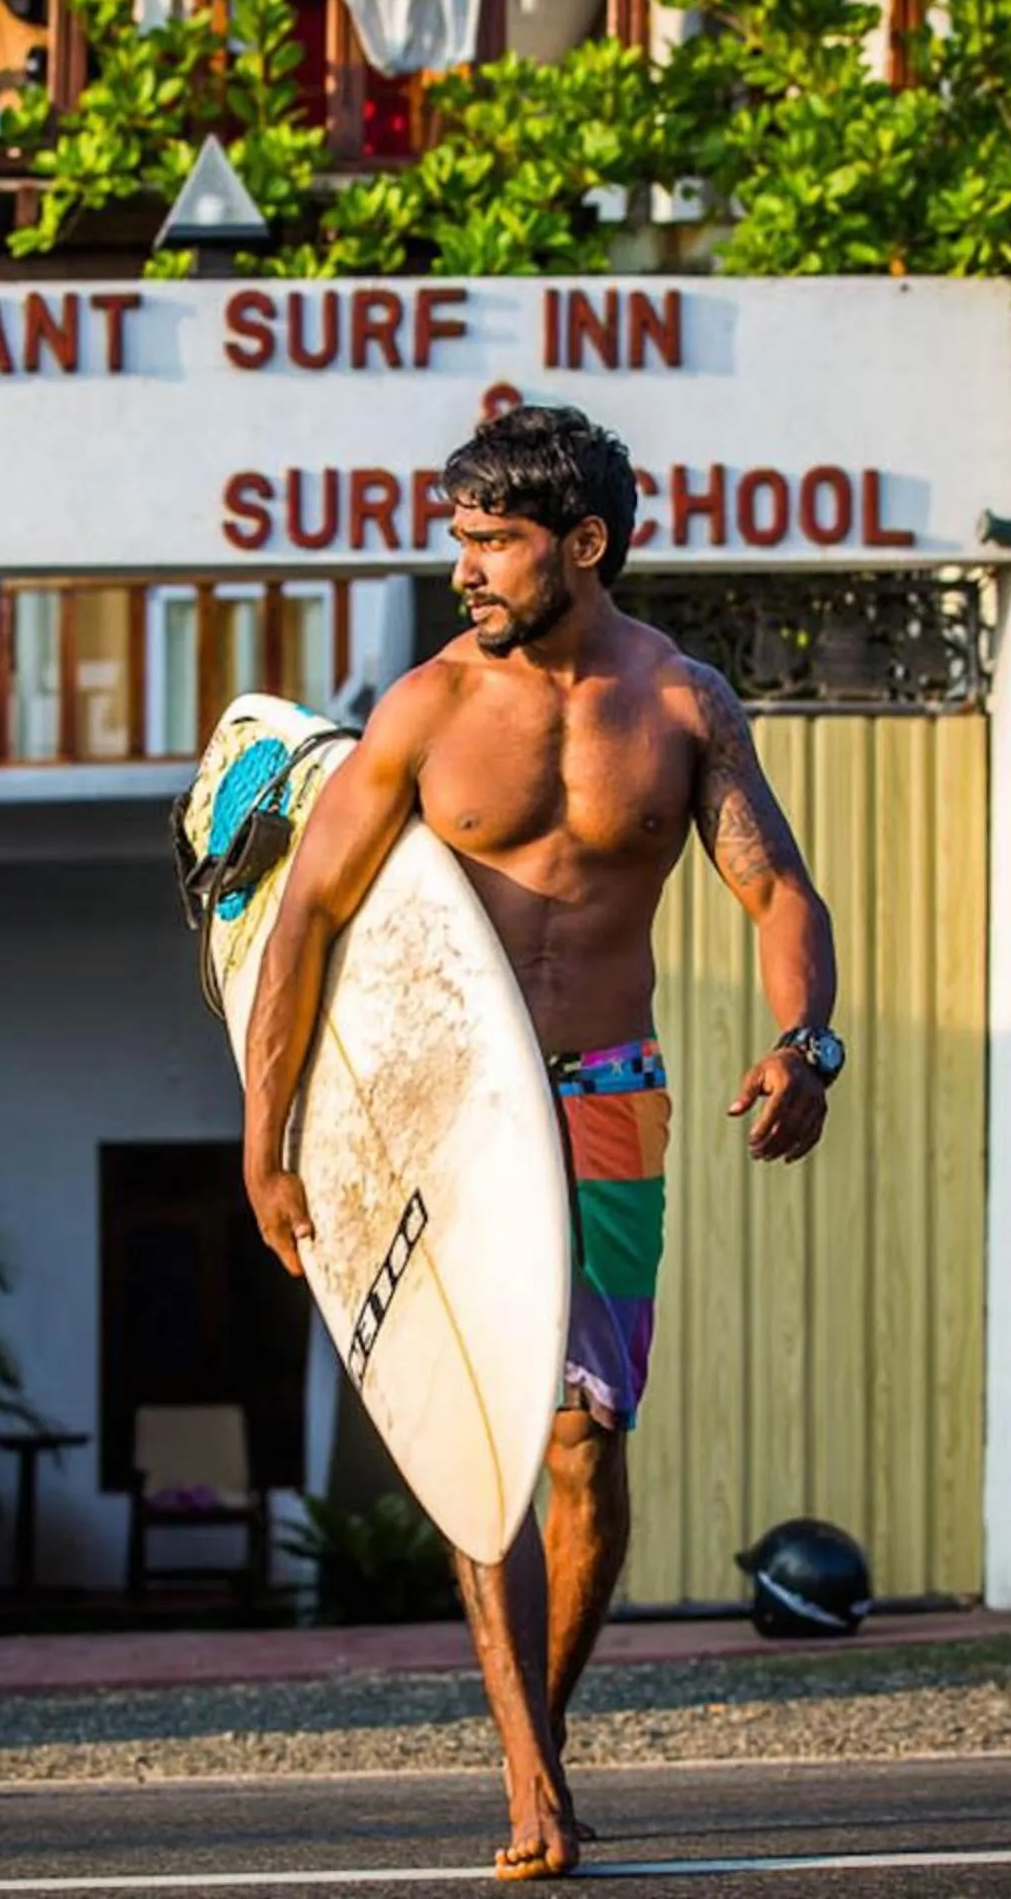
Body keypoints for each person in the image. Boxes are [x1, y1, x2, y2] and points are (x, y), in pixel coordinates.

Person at [239, 405, 843, 1879]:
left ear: (584, 543)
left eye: (495, 541)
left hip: (611, 1093)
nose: (466, 569)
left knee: (586, 1439)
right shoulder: (426, 709)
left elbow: (778, 891)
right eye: (460, 538)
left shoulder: (683, 705)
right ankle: (530, 1776)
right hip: (453, 1105)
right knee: (485, 1431)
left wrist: (806, 1040)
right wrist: (268, 1136)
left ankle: (540, 1735)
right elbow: (303, 920)